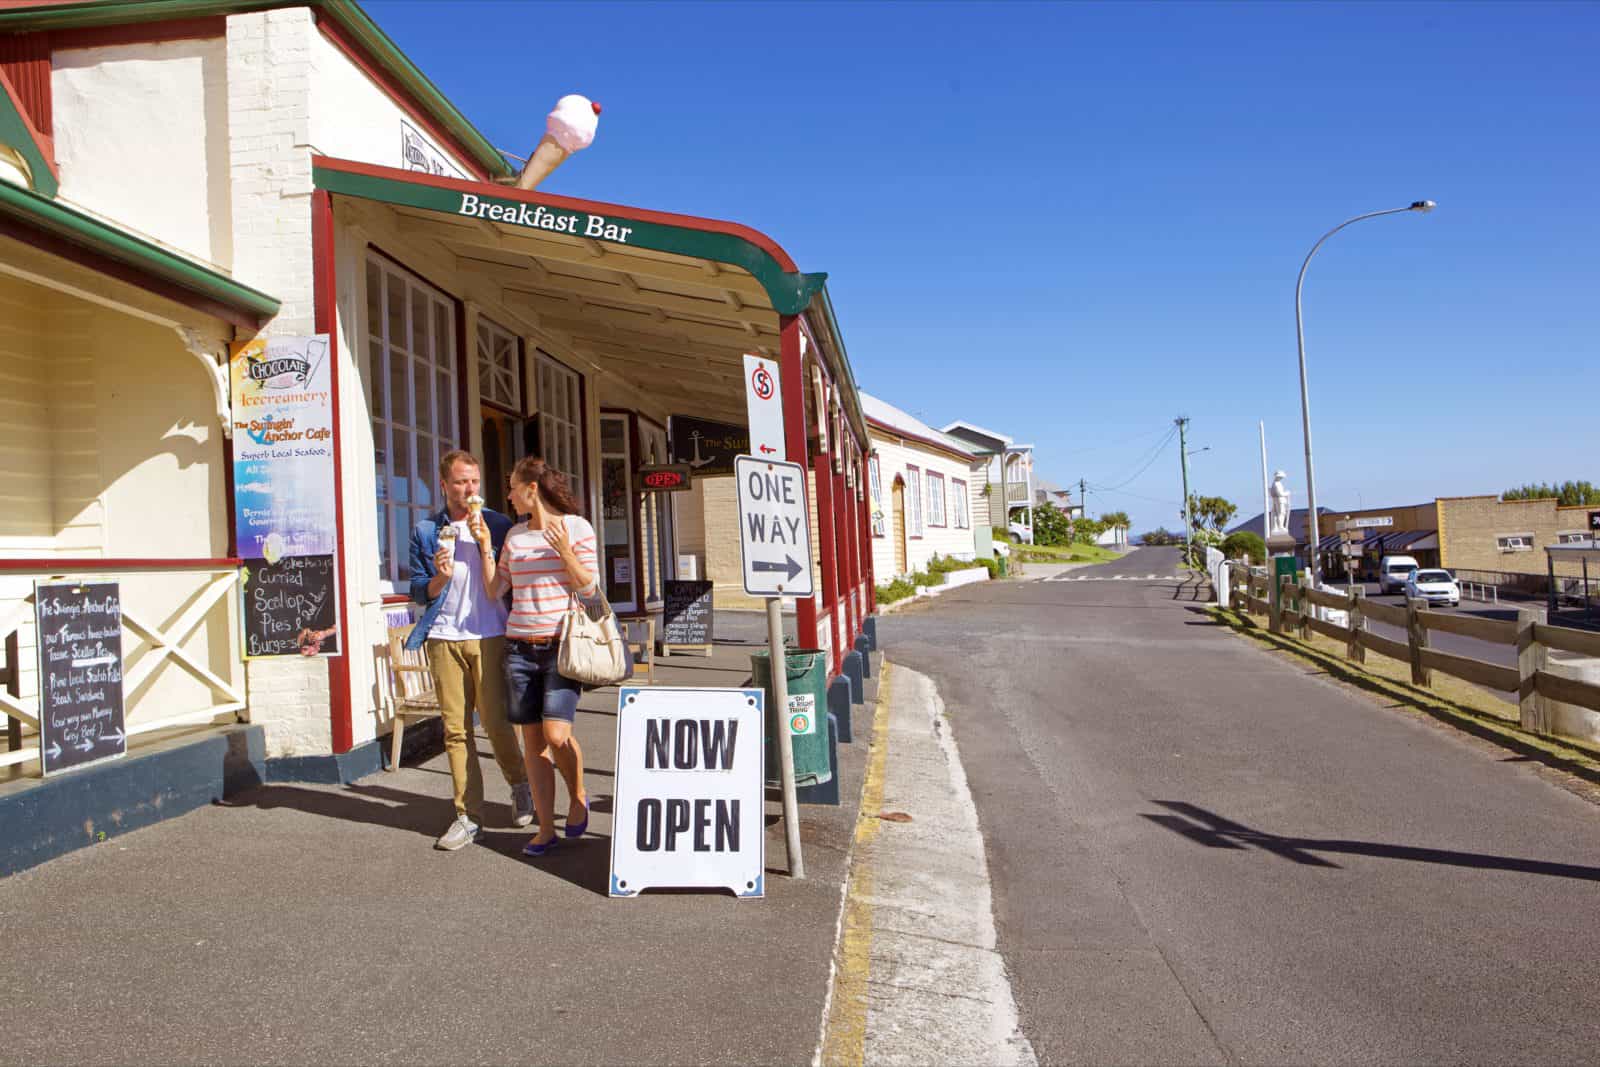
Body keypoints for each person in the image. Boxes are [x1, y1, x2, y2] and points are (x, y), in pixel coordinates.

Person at [408, 450, 533, 851]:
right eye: (461, 482)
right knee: (456, 731)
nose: (469, 489)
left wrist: (485, 545)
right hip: (443, 637)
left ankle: (520, 784)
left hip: (490, 633)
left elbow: (512, 582)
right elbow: (418, 591)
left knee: (496, 723)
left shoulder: (498, 525)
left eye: (474, 481)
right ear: (444, 485)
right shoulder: (426, 531)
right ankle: (468, 816)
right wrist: (439, 578)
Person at [486, 456, 597, 857]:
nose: (509, 496)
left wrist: (565, 551)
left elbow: (589, 588)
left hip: (561, 646)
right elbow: (495, 590)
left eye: (513, 488)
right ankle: (546, 829)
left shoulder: (577, 528)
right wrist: (484, 547)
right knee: (533, 744)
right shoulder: (515, 537)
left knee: (556, 735)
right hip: (519, 647)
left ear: (531, 489)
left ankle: (578, 792)